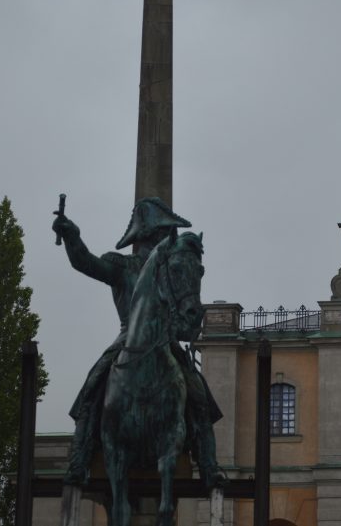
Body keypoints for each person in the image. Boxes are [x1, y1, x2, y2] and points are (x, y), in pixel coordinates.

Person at [52, 197, 225, 488]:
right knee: (91, 391)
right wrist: (72, 235)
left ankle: (209, 466)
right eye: (160, 232)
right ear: (145, 235)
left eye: (165, 233)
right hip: (127, 341)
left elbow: (181, 311)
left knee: (199, 397)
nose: (164, 238)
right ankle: (79, 460)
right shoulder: (123, 266)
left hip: (164, 343)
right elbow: (85, 263)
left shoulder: (171, 269)